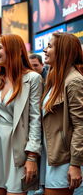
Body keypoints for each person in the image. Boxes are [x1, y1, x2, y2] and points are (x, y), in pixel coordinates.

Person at [0, 34, 42, 195]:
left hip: (19, 147)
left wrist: (32, 156)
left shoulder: (33, 79)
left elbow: (35, 119)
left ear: (14, 50)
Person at [40, 32, 83, 195]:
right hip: (52, 154)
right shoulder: (55, 79)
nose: (45, 49)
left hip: (64, 159)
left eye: (50, 46)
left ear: (63, 51)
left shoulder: (74, 81)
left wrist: (75, 164)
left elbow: (80, 125)